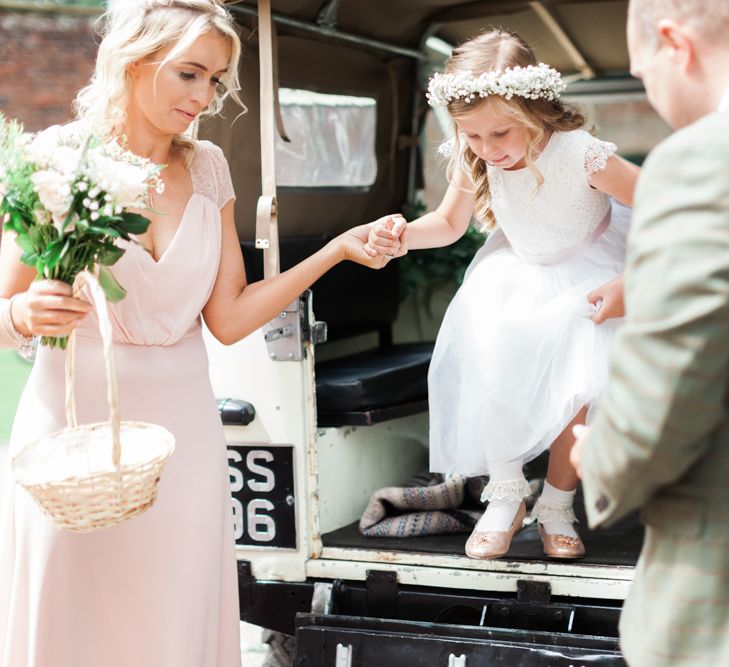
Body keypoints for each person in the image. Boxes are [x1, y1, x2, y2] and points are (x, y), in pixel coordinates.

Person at [0, 1, 393, 665]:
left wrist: (334, 251)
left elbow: (229, 317)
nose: (204, 96)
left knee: (171, 609)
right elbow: (7, 303)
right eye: (189, 73)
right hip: (73, 426)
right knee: (72, 609)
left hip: (183, 433)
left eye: (214, 80)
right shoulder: (58, 156)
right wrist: (21, 314)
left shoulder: (208, 166)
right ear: (133, 58)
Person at [367, 30, 639, 560]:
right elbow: (447, 224)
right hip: (516, 269)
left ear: (536, 109)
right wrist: (400, 237)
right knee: (490, 351)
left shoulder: (581, 153)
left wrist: (634, 281)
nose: (488, 149)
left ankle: (557, 505)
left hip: (591, 266)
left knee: (577, 378)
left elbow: (666, 206)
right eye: (473, 137)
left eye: (501, 133)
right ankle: (507, 494)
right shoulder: (476, 157)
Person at [570, 0, 729, 664]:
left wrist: (599, 458)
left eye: (643, 78)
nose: (653, 97)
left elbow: (671, 382)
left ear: (674, 44)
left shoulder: (699, 160)